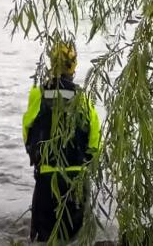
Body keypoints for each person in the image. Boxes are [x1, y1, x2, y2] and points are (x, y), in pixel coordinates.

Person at [22, 41, 101, 242]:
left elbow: (27, 130)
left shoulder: (38, 94)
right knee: (74, 237)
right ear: (74, 66)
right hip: (76, 179)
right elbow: (95, 141)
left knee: (43, 237)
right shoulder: (83, 98)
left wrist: (36, 155)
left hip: (47, 178)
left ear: (51, 63)